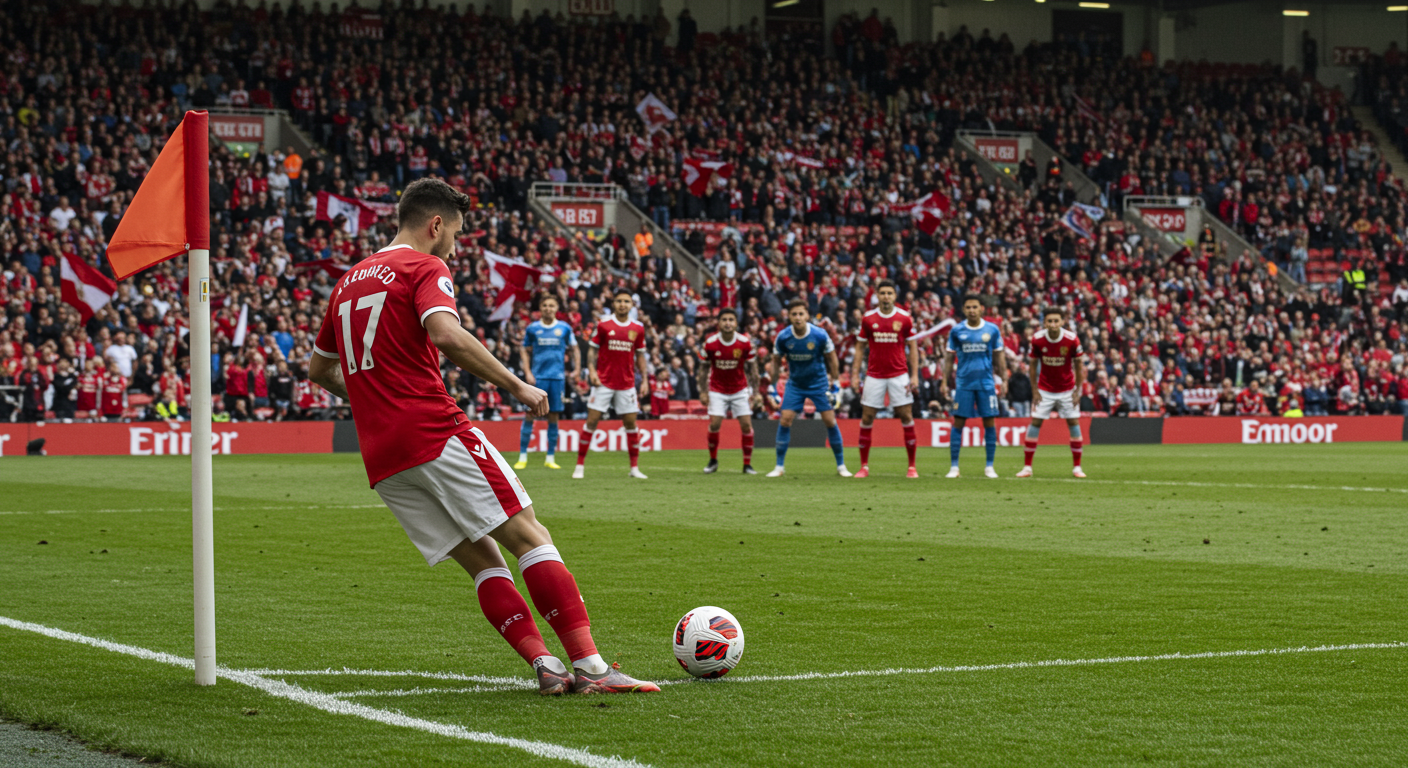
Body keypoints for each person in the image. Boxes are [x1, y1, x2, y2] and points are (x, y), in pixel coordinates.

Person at [307, 178, 657, 696]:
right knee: (530, 537)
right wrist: (515, 383)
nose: (456, 243)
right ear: (435, 224)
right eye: (456, 232)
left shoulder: (348, 282)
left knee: (484, 561)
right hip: (433, 429)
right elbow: (446, 334)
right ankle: (592, 667)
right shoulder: (424, 266)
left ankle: (546, 665)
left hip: (383, 455)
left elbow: (320, 371)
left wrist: (376, 398)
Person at [765, 298, 851, 477]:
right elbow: (775, 362)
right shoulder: (783, 337)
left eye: (801, 314)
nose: (797, 317)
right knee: (785, 419)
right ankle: (779, 467)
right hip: (795, 384)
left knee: (829, 421)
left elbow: (832, 358)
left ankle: (841, 466)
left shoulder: (820, 335)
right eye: (794, 314)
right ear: (789, 316)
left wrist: (835, 384)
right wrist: (772, 386)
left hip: (818, 384)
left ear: (807, 316)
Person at [573, 289, 650, 479]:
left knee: (631, 423)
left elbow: (640, 355)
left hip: (627, 383)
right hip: (604, 382)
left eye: (626, 301)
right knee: (591, 421)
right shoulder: (603, 325)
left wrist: (645, 380)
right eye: (619, 301)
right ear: (613, 304)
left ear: (632, 305)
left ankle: (634, 468)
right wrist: (592, 371)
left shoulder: (638, 328)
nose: (623, 304)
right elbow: (592, 351)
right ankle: (579, 466)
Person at [849, 280, 919, 478]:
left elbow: (912, 347)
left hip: (899, 375)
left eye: (889, 293)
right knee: (867, 417)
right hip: (874, 375)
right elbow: (860, 347)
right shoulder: (868, 318)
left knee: (906, 415)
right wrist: (855, 375)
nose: (886, 296)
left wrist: (914, 375)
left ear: (894, 296)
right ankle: (864, 466)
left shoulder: (905, 318)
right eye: (883, 293)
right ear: (877, 296)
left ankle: (912, 467)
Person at [1015, 307, 1087, 479]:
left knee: (1073, 423)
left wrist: (1078, 390)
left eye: (1056, 321)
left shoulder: (1071, 339)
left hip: (1067, 389)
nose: (1053, 324)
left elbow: (1079, 366)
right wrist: (1034, 389)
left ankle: (1077, 467)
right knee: (1035, 422)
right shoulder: (1038, 339)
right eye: (1050, 321)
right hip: (1044, 389)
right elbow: (1032, 365)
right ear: (1044, 322)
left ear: (1062, 322)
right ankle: (1027, 467)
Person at [944, 295, 1007, 478]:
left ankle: (989, 466)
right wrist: (944, 381)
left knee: (989, 422)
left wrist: (1004, 379)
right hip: (964, 383)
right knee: (958, 422)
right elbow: (949, 358)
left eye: (975, 307)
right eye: (968, 307)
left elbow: (999, 357)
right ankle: (954, 467)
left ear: (981, 309)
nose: (972, 310)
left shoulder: (992, 330)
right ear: (964, 310)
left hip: (986, 383)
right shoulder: (957, 331)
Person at [515, 294, 579, 470]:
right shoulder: (533, 328)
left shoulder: (564, 328)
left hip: (557, 378)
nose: (548, 308)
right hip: (538, 377)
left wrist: (577, 369)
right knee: (530, 414)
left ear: (557, 308)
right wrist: (527, 372)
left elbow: (575, 348)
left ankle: (550, 457)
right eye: (545, 305)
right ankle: (523, 456)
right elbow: (524, 349)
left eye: (551, 305)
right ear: (540, 309)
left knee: (554, 416)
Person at [696, 307, 759, 474]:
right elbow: (703, 370)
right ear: (719, 323)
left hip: (739, 389)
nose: (728, 323)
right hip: (717, 389)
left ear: (736, 323)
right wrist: (703, 391)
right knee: (715, 424)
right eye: (724, 320)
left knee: (746, 425)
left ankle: (747, 464)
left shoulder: (744, 343)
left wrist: (757, 392)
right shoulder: (710, 343)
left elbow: (753, 369)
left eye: (731, 320)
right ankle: (713, 460)